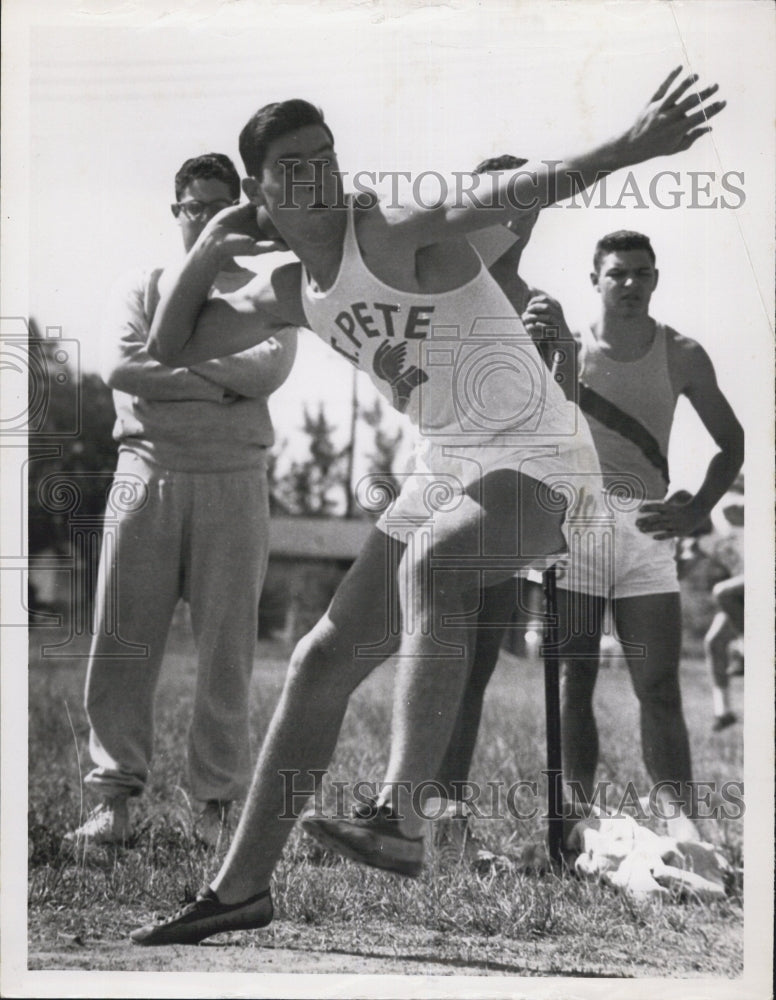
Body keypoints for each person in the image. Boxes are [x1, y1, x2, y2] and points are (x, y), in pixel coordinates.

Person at [130, 69, 725, 944]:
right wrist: (215, 240)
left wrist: (632, 145)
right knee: (318, 660)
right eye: (293, 168)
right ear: (263, 190)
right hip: (445, 463)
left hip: (540, 453)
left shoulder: (386, 229)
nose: (318, 175)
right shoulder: (293, 290)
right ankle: (239, 889)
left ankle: (401, 817)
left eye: (325, 155)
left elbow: (515, 188)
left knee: (440, 565)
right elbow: (170, 343)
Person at [65, 154, 297, 850]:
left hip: (234, 476)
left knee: (227, 648)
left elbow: (268, 369)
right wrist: (222, 383)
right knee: (123, 640)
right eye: (194, 206)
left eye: (220, 206)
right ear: (177, 212)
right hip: (147, 470)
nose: (207, 219)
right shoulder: (142, 285)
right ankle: (112, 802)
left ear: (243, 211)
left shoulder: (266, 289)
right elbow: (121, 366)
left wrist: (171, 364)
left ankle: (215, 807)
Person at [553, 231, 744, 838]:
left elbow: (732, 443)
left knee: (658, 684)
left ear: (656, 278)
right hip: (574, 526)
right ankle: (574, 821)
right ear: (595, 280)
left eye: (641, 272)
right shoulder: (566, 348)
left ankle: (680, 823)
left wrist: (696, 511)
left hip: (646, 528)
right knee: (574, 678)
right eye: (617, 273)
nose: (630, 284)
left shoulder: (682, 352)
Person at [702, 485, 744, 730]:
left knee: (722, 592)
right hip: (746, 591)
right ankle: (723, 712)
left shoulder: (724, 511)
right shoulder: (699, 542)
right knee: (715, 642)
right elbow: (677, 572)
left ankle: (745, 649)